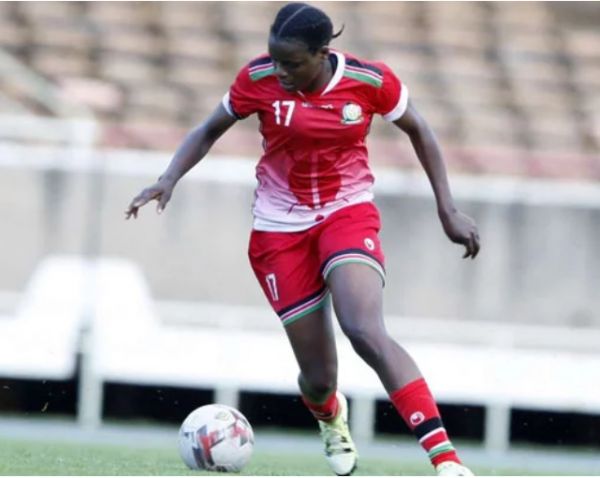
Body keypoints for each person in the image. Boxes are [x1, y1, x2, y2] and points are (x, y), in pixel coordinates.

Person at [126, 3, 480, 476]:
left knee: (365, 330)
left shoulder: (370, 81)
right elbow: (209, 129)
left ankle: (445, 459)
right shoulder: (257, 79)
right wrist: (168, 178)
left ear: (321, 53)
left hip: (346, 213)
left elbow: (420, 130)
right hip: (279, 230)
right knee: (318, 379)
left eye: (291, 63)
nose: (280, 71)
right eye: (275, 60)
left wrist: (447, 208)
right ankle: (332, 417)